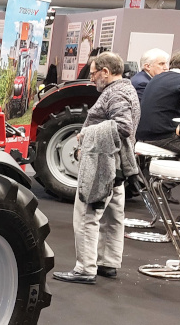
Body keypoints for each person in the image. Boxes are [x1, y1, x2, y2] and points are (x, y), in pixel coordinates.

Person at [54, 52, 142, 285]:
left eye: (93, 74)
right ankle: (108, 262)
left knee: (86, 215)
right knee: (114, 215)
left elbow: (122, 126)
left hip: (103, 165)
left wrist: (87, 134)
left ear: (106, 71)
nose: (92, 79)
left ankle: (85, 268)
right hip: (118, 165)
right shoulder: (126, 90)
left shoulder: (116, 94)